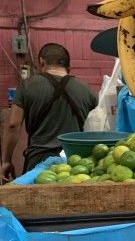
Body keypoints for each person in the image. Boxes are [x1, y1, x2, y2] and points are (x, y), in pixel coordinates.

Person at [1, 44, 98, 181]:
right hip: (75, 163)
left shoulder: (27, 86)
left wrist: (6, 161)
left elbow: (13, 125)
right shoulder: (87, 91)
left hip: (38, 161)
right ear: (68, 67)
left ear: (41, 62)